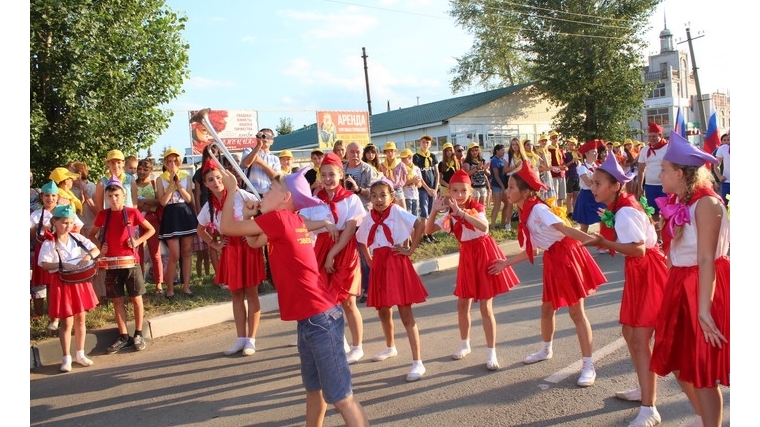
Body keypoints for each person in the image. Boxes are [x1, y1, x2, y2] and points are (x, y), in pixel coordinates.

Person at [217, 168, 370, 426]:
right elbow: (254, 242)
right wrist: (247, 212)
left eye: (269, 191)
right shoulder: (290, 220)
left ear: (285, 198)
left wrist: (231, 190)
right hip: (313, 319)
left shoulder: (280, 219)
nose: (263, 193)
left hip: (319, 319)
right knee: (314, 391)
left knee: (342, 397)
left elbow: (226, 227)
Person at [488, 162, 606, 387]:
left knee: (576, 312)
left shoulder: (539, 209)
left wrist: (597, 240)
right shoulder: (526, 210)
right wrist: (506, 263)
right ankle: (546, 349)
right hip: (553, 258)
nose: (507, 191)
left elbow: (565, 230)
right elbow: (534, 248)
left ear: (524, 192)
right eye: (508, 186)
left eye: (512, 187)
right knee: (547, 307)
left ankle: (589, 366)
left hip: (567, 256)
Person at [650, 133, 729, 427]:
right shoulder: (680, 201)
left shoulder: (707, 204)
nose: (660, 174)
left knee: (704, 370)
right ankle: (703, 418)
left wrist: (704, 308)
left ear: (680, 174)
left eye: (664, 170)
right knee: (684, 363)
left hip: (701, 285)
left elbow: (707, 258)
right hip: (682, 282)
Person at [586, 151, 668, 427]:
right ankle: (644, 389)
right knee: (630, 332)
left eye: (598, 183)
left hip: (647, 273)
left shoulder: (624, 211)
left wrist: (604, 241)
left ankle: (649, 409)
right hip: (639, 272)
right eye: (593, 182)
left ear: (615, 186)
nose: (592, 187)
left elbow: (639, 249)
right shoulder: (620, 207)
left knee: (640, 339)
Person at [425, 170, 520, 371]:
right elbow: (428, 230)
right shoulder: (450, 212)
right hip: (467, 256)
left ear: (470, 192)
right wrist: (434, 210)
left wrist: (461, 213)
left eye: (463, 191)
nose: (459, 195)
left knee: (486, 307)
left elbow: (484, 227)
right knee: (462, 304)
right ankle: (465, 344)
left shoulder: (475, 207)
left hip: (484, 253)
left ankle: (491, 352)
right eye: (455, 191)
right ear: (449, 191)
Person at [356, 179, 429, 382]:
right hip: (379, 265)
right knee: (383, 310)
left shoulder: (396, 211)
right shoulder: (369, 217)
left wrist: (410, 249)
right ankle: (390, 346)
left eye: (383, 195)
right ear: (369, 198)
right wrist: (370, 260)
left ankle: (418, 362)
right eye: (374, 195)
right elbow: (362, 240)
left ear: (391, 197)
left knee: (405, 313)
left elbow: (419, 224)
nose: (378, 199)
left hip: (396, 262)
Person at [300, 152, 367, 364]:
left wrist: (332, 254)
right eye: (324, 174)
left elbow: (349, 231)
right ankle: (340, 340)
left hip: (344, 250)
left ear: (341, 175)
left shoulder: (351, 199)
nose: (328, 179)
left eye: (332, 174)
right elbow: (301, 222)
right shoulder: (314, 200)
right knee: (326, 302)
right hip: (320, 249)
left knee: (347, 301)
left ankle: (358, 346)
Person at [196, 159, 266, 357]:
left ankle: (251, 339)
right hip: (230, 250)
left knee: (251, 293)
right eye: (211, 179)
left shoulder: (241, 195)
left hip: (248, 246)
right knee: (236, 294)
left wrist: (252, 220)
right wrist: (215, 244)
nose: (216, 182)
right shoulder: (208, 207)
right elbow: (200, 229)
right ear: (206, 184)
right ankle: (240, 338)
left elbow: (260, 210)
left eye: (219, 177)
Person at [88, 176, 155, 353]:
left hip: (130, 262)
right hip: (111, 264)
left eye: (117, 195)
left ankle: (139, 333)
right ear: (106, 198)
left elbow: (151, 230)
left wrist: (137, 241)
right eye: (110, 196)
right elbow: (91, 234)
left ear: (123, 195)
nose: (113, 199)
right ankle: (124, 336)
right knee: (117, 300)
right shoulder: (103, 215)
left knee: (136, 298)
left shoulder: (132, 213)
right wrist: (100, 246)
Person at [37, 205, 100, 372]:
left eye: (71, 222)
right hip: (62, 283)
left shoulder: (77, 238)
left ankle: (80, 353)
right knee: (67, 322)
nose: (68, 226)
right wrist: (61, 264)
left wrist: (87, 256)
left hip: (80, 282)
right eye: (64, 222)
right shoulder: (50, 242)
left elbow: (96, 249)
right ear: (55, 222)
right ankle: (66, 357)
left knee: (81, 319)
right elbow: (43, 264)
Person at [31, 181, 84, 330]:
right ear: (41, 197)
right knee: (44, 286)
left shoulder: (64, 211)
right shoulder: (37, 214)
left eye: (53, 195)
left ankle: (60, 316)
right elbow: (29, 235)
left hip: (61, 252)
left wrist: (68, 237)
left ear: (57, 196)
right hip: (44, 252)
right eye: (47, 195)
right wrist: (39, 227)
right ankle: (44, 315)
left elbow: (77, 226)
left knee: (60, 285)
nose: (50, 199)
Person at [155, 148, 198, 299]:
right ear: (165, 163)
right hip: (171, 215)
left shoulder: (186, 177)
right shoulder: (160, 179)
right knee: (175, 254)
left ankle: (186, 286)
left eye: (175, 161)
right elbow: (163, 202)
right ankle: (170, 287)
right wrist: (171, 186)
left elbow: (189, 199)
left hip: (184, 214)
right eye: (169, 161)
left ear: (179, 162)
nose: (172, 164)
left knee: (186, 252)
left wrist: (179, 185)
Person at [135, 159, 164, 294]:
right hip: (137, 221)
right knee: (138, 254)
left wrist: (145, 201)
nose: (141, 172)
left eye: (145, 169)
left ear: (150, 171)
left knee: (155, 253)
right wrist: (139, 204)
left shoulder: (153, 183)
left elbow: (160, 201)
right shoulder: (132, 184)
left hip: (152, 220)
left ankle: (159, 284)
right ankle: (140, 285)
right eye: (139, 169)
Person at [192, 145, 221, 282]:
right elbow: (197, 195)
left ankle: (229, 272)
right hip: (207, 210)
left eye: (215, 153)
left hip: (223, 208)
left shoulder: (222, 170)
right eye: (209, 154)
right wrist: (199, 214)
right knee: (212, 243)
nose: (212, 156)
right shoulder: (199, 173)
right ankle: (219, 275)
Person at [636, 123, 669, 240]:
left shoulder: (668, 148)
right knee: (653, 213)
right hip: (650, 186)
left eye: (654, 136)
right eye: (649, 136)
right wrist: (640, 187)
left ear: (660, 135)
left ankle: (667, 236)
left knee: (667, 212)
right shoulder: (645, 150)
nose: (651, 139)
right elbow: (641, 170)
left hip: (666, 186)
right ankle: (657, 237)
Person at [574, 140, 607, 234]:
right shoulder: (582, 168)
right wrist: (597, 180)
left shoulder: (598, 166)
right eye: (593, 151)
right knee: (584, 225)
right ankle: (581, 244)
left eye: (596, 152)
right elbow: (588, 183)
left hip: (598, 195)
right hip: (586, 196)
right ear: (587, 153)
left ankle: (602, 241)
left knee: (604, 218)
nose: (596, 154)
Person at [412, 135, 440, 243]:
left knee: (431, 212)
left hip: (433, 189)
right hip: (423, 189)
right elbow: (418, 175)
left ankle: (430, 233)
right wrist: (428, 189)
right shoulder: (416, 157)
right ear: (420, 143)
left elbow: (437, 173)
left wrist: (436, 188)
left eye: (428, 142)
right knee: (424, 213)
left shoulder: (433, 156)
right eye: (423, 142)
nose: (425, 144)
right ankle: (425, 235)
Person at [241, 128, 280, 195]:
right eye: (263, 136)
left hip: (268, 194)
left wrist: (261, 162)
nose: (266, 139)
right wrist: (259, 145)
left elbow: (277, 178)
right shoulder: (250, 150)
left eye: (269, 137)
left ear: (272, 141)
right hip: (250, 193)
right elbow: (245, 164)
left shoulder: (275, 158)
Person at [68, 161, 97, 237]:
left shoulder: (92, 187)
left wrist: (86, 194)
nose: (67, 175)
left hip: (92, 230)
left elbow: (98, 212)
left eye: (69, 172)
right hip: (76, 230)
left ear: (79, 174)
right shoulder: (69, 190)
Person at [380, 141, 406, 209]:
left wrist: (401, 184)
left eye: (392, 151)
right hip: (387, 190)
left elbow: (404, 177)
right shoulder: (382, 165)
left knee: (403, 210)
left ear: (395, 151)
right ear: (385, 153)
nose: (390, 153)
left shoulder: (400, 164)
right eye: (387, 151)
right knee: (389, 210)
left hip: (398, 189)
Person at [488, 144, 508, 227]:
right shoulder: (494, 160)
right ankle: (492, 224)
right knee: (497, 204)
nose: (503, 152)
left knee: (507, 203)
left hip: (503, 183)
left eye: (504, 150)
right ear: (497, 151)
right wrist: (503, 187)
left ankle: (503, 223)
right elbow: (496, 176)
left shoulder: (502, 159)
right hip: (497, 184)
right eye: (502, 150)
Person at [547, 131, 567, 207]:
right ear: (550, 139)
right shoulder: (548, 150)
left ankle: (560, 211)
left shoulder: (560, 150)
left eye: (556, 138)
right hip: (553, 174)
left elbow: (562, 162)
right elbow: (549, 164)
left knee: (561, 196)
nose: (555, 139)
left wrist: (565, 167)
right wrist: (559, 167)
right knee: (555, 195)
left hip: (561, 174)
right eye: (553, 138)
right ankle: (555, 212)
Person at [400, 149, 422, 216]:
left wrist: (417, 182)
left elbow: (420, 184)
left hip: (415, 195)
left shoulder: (416, 169)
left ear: (410, 157)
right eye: (401, 158)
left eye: (404, 158)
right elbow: (400, 184)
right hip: (406, 196)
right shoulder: (401, 169)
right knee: (407, 215)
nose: (402, 160)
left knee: (415, 216)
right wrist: (411, 180)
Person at [563, 137, 581, 218]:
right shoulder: (566, 154)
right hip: (569, 176)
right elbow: (564, 166)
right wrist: (572, 161)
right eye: (569, 144)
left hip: (577, 175)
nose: (570, 146)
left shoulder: (577, 153)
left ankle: (575, 211)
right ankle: (569, 212)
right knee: (569, 195)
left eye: (572, 144)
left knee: (576, 194)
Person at [713, 132, 730, 205]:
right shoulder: (723, 148)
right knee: (726, 207)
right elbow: (716, 165)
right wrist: (719, 177)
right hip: (727, 183)